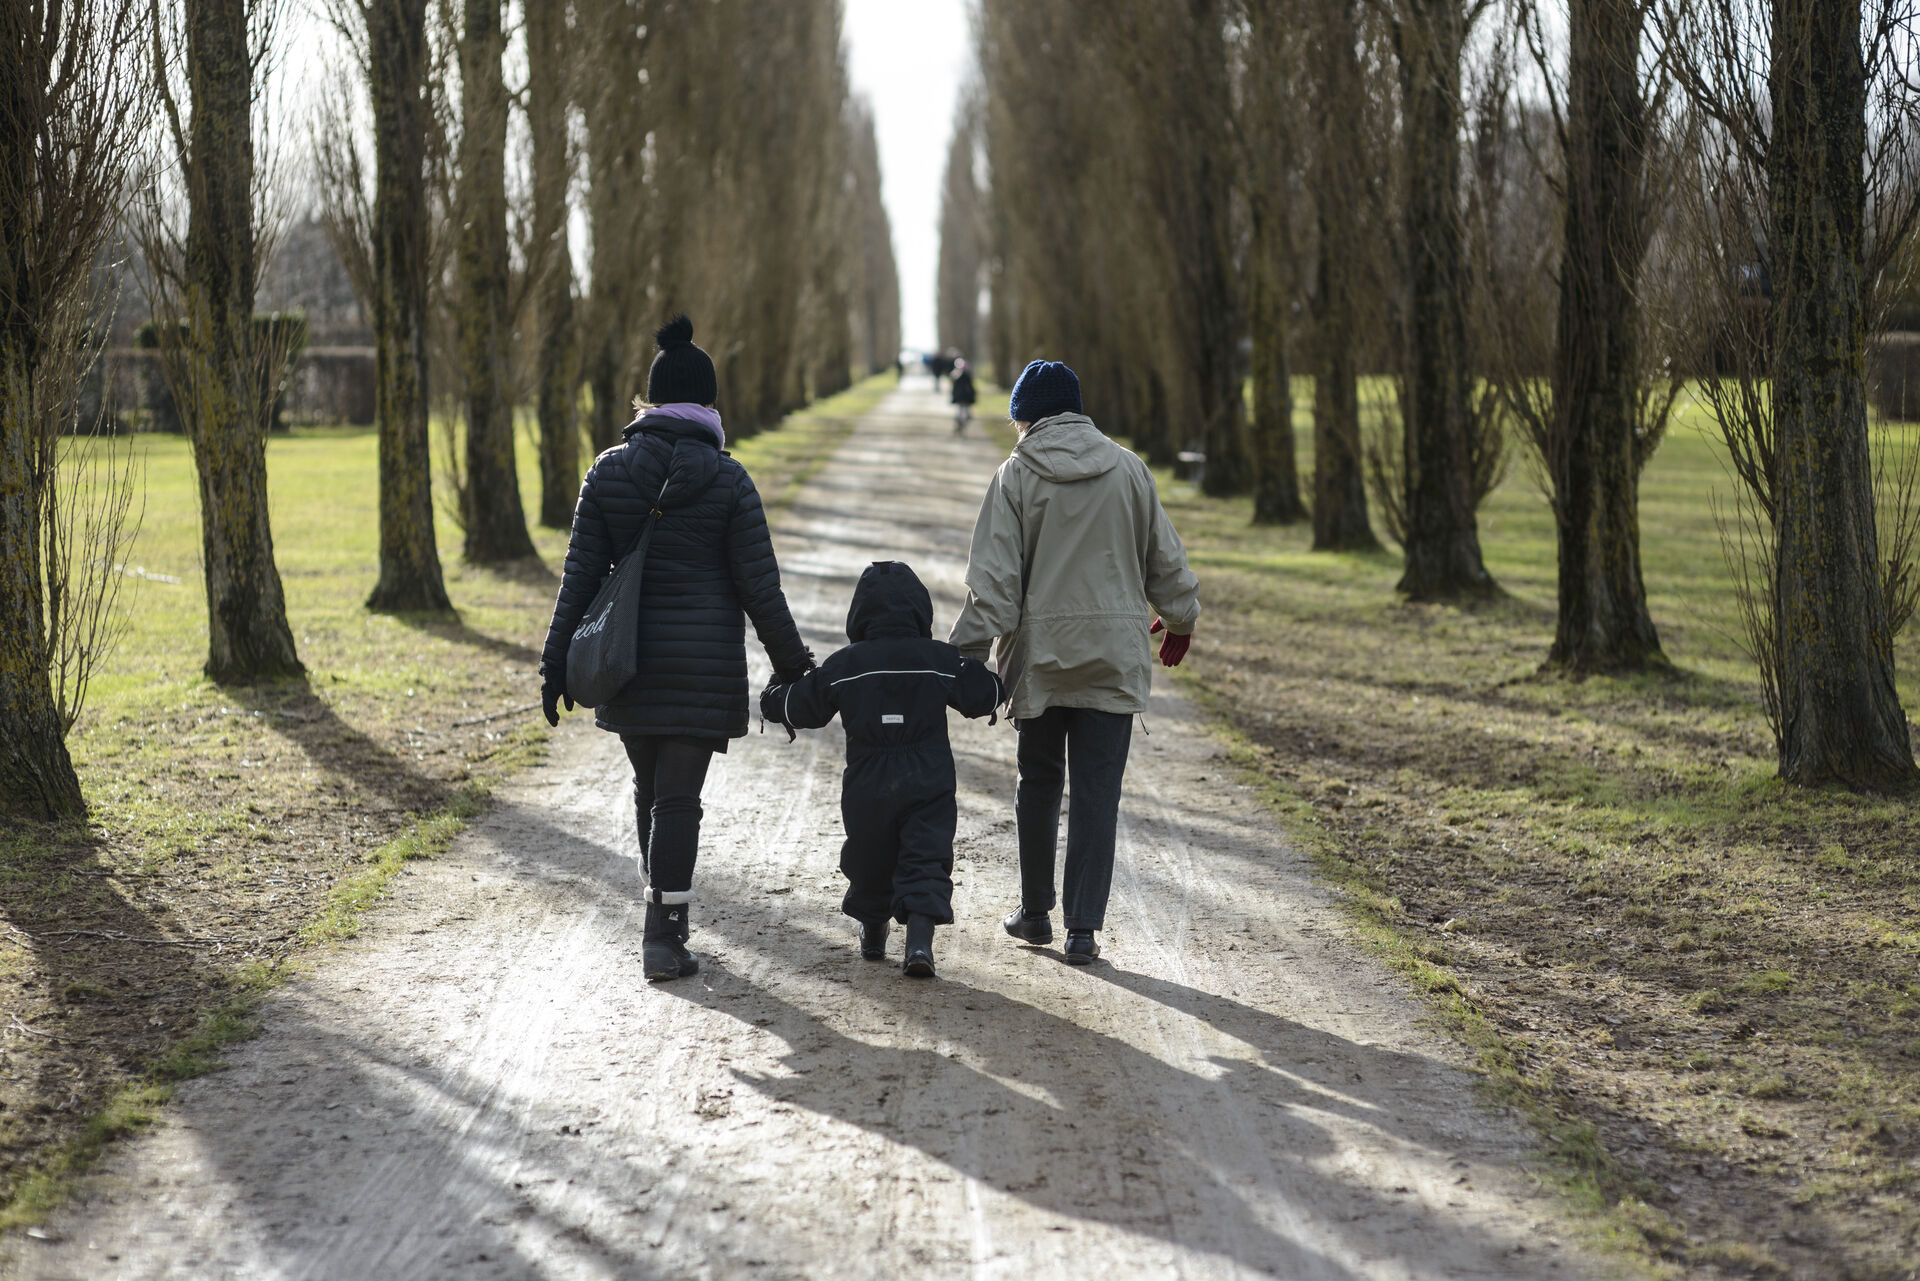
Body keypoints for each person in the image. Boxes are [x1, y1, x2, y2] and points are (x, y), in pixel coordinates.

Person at [540, 315, 813, 983]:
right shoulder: (729, 480)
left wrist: (554, 665)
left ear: (651, 401)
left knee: (650, 786)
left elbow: (578, 579)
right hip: (703, 667)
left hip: (624, 664)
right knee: (678, 799)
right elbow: (761, 588)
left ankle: (662, 917)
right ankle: (663, 933)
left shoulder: (607, 473)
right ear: (710, 405)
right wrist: (796, 668)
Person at [949, 359, 1200, 965]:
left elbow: (995, 584)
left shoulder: (1014, 476)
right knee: (1096, 792)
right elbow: (1165, 559)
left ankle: (1036, 914)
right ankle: (1083, 929)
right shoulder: (1129, 468)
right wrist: (1181, 618)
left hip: (1040, 659)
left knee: (1037, 782)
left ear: (1024, 417)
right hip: (1113, 657)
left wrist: (966, 658)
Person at [761, 562, 1002, 978]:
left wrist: (772, 693)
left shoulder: (847, 664)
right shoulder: (939, 660)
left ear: (859, 615)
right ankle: (920, 944)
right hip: (928, 773)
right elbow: (983, 695)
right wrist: (1000, 685)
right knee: (925, 854)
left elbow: (800, 706)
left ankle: (873, 933)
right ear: (920, 612)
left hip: (868, 779)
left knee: (870, 854)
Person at [949, 358, 977, 435]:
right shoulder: (959, 375)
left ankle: (960, 426)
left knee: (962, 413)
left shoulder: (956, 375)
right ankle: (960, 427)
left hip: (963, 397)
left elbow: (970, 387)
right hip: (963, 397)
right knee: (962, 413)